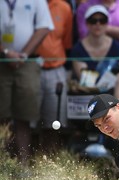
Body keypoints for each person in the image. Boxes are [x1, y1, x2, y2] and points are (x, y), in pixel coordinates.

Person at [0, 0, 54, 165]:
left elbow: (44, 27)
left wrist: (23, 54)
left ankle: (23, 165)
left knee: (24, 117)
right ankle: (3, 164)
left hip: (27, 62)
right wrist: (6, 52)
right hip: (1, 62)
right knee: (2, 117)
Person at [71, 5, 119, 112]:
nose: (98, 24)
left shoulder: (117, 47)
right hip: (87, 96)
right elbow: (88, 84)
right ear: (87, 24)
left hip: (112, 94)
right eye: (93, 21)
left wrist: (116, 106)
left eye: (102, 20)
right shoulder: (78, 49)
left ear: (107, 23)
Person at [36, 0, 73, 154]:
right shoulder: (29, 4)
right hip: (30, 69)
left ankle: (49, 161)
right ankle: (24, 163)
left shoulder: (64, 7)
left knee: (54, 123)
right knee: (25, 121)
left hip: (56, 70)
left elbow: (67, 42)